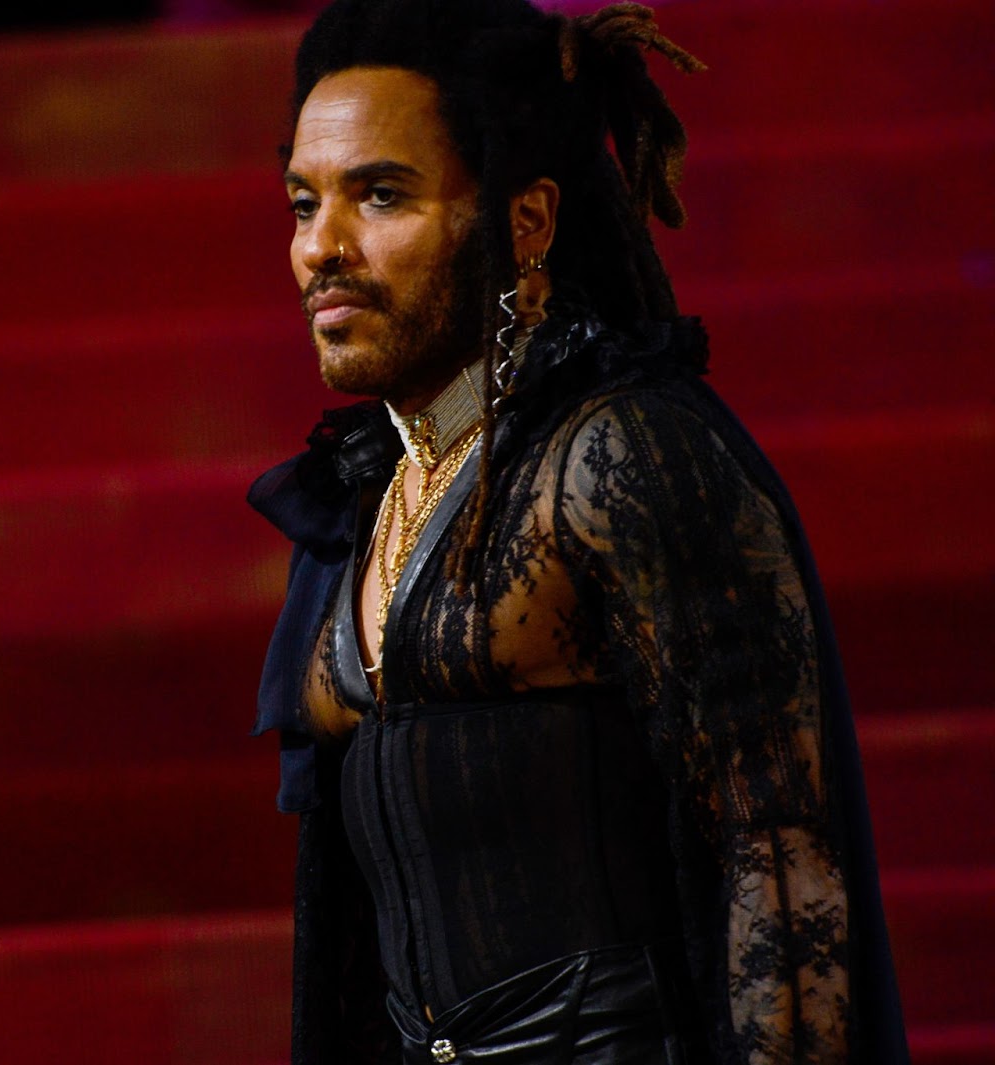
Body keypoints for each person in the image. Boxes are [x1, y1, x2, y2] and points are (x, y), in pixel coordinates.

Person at [247, 1, 909, 1062]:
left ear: (525, 221)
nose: (320, 246)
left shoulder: (626, 459)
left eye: (380, 195)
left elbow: (778, 872)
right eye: (301, 202)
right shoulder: (360, 499)